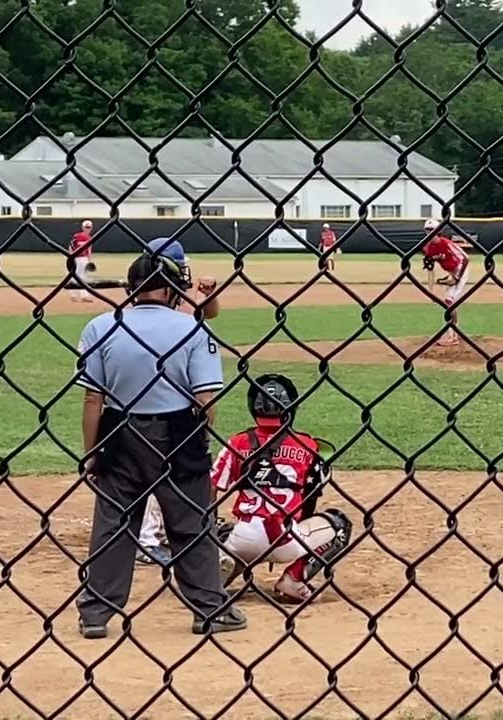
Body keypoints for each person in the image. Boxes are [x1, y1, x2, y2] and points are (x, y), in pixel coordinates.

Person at [74, 252, 246, 638]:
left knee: (113, 524)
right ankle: (208, 610)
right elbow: (207, 401)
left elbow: (91, 400)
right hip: (178, 430)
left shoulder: (101, 326)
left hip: (118, 431)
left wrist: (91, 452)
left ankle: (96, 614)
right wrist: (195, 441)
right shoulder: (192, 329)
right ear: (170, 289)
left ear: (131, 289)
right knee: (191, 524)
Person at [212, 373, 352, 605]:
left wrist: (209, 527)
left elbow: (211, 486)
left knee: (223, 530)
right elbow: (310, 497)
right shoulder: (307, 445)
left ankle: (221, 566)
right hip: (284, 538)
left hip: (243, 538)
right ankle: (294, 579)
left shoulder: (237, 443)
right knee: (339, 524)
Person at [132, 236, 222, 567]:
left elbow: (206, 313)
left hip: (169, 401)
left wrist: (208, 294)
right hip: (163, 402)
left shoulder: (169, 300)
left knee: (163, 469)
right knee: (161, 468)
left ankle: (162, 530)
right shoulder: (167, 309)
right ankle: (146, 537)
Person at [420, 219, 470, 346]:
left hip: (460, 271)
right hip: (451, 272)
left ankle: (453, 336)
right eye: (427, 230)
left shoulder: (446, 243)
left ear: (439, 231)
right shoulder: (427, 247)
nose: (429, 232)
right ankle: (453, 333)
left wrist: (457, 277)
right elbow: (430, 269)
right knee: (449, 303)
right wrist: (430, 291)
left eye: (432, 230)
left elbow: (465, 258)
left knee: (450, 302)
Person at [69, 220, 96, 303]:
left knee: (83, 277)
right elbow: (70, 246)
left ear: (91, 228)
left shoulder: (90, 238)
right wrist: (71, 257)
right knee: (76, 276)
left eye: (89, 227)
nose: (87, 229)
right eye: (86, 227)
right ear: (82, 227)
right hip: (76, 258)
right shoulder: (77, 236)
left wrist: (89, 260)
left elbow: (89, 250)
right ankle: (74, 295)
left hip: (84, 259)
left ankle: (83, 295)